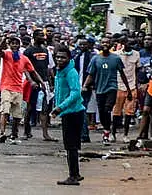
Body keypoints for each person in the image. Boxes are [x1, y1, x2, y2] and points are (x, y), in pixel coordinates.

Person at [83, 35, 133, 146]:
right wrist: (85, 85)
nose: (105, 44)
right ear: (100, 44)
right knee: (101, 111)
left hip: (112, 88)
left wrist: (128, 89)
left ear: (110, 44)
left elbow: (122, 74)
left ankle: (107, 129)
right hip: (99, 89)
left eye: (107, 42)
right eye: (103, 42)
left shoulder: (115, 58)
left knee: (107, 108)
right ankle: (106, 130)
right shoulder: (96, 58)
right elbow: (91, 74)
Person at [0, 36, 46, 144]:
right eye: (12, 43)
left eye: (16, 43)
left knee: (17, 115)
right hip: (6, 87)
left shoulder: (24, 58)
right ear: (9, 45)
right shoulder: (6, 54)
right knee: (4, 110)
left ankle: (14, 133)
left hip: (18, 88)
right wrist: (3, 40)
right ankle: (2, 133)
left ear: (19, 45)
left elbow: (32, 71)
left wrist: (41, 82)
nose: (15, 45)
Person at [51, 46, 86, 186]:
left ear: (69, 58)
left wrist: (60, 107)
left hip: (73, 112)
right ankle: (76, 173)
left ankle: (73, 176)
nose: (59, 59)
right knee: (71, 146)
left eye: (63, 57)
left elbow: (76, 92)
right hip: (68, 112)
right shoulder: (60, 71)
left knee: (71, 146)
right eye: (58, 57)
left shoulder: (71, 72)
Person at [23, 29, 56, 141]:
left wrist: (51, 82)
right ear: (35, 36)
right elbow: (25, 68)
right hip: (32, 83)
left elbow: (48, 68)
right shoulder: (28, 51)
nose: (43, 37)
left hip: (44, 82)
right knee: (30, 107)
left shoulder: (46, 51)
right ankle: (26, 130)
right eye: (41, 35)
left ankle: (45, 134)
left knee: (44, 108)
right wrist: (30, 81)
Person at [112, 36, 140, 142]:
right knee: (116, 112)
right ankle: (113, 133)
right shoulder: (116, 55)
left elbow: (137, 70)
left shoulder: (136, 54)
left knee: (129, 112)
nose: (130, 45)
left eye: (132, 43)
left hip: (132, 86)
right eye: (128, 42)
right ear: (123, 43)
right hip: (119, 86)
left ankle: (125, 135)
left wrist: (136, 85)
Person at [72, 36, 97, 143]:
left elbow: (93, 73)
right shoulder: (75, 56)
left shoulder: (92, 57)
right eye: (80, 44)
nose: (82, 46)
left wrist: (89, 85)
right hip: (76, 86)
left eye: (84, 44)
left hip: (86, 87)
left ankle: (84, 134)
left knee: (82, 110)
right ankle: (80, 133)